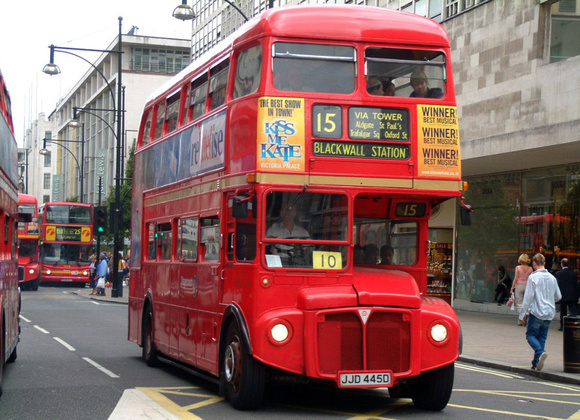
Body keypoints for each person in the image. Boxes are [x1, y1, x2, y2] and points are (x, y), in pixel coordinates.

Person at [519, 253, 562, 371]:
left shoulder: (533, 277)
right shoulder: (552, 278)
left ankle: (540, 352)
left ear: (534, 263)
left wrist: (522, 315)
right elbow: (558, 296)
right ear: (544, 263)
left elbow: (528, 298)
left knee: (530, 335)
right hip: (549, 313)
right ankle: (536, 363)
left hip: (537, 311)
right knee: (542, 338)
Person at [554, 258, 579, 331]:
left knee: (563, 311)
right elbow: (576, 285)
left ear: (562, 264)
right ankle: (574, 325)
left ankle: (563, 325)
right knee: (573, 311)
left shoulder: (558, 274)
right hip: (572, 295)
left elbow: (557, 285)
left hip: (563, 295)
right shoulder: (574, 273)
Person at [510, 253, 533, 323]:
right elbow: (532, 278)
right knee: (527, 301)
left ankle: (523, 315)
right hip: (527, 286)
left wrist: (512, 287)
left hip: (519, 285)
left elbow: (516, 278)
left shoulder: (518, 268)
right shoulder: (530, 268)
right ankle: (522, 319)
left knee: (519, 302)